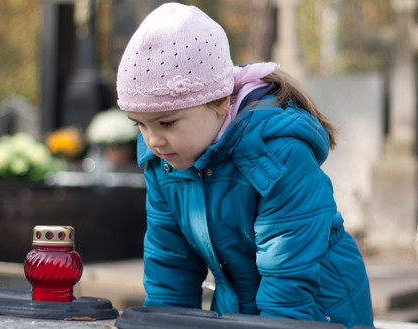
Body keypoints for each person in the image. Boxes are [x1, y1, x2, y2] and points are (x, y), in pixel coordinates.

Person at [115, 3, 374, 328]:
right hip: (240, 309)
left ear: (221, 101)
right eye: (139, 124)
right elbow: (171, 265)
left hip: (319, 310)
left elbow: (287, 275)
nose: (152, 140)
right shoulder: (164, 162)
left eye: (166, 123)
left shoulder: (277, 154)